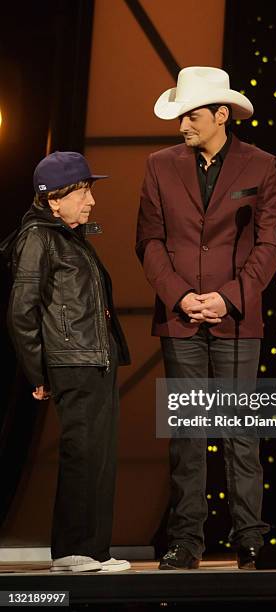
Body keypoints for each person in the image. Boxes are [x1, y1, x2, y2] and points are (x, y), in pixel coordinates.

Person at [136, 66, 276, 569]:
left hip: (237, 318)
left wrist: (229, 297)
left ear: (222, 115)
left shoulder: (262, 166)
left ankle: (250, 537)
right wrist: (179, 295)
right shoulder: (160, 165)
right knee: (189, 433)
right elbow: (149, 241)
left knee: (240, 430)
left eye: (192, 116)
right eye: (180, 116)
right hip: (181, 318)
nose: (182, 125)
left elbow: (268, 245)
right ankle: (187, 539)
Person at [6, 152, 131, 573]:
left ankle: (94, 549)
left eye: (89, 189)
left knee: (100, 455)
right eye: (82, 190)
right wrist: (37, 371)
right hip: (71, 362)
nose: (91, 199)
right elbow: (22, 311)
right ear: (54, 199)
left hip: (96, 359)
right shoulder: (38, 237)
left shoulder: (69, 236)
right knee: (81, 454)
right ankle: (70, 550)